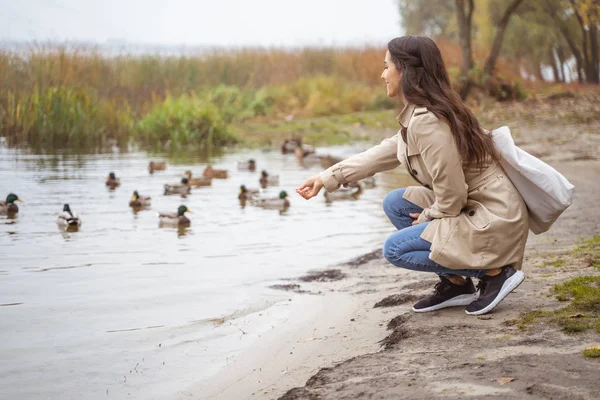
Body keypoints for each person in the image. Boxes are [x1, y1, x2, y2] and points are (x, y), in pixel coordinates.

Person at [296, 36, 529, 316]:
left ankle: (495, 271)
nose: (382, 74)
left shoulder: (428, 122)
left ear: (405, 70)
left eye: (386, 66)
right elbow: (382, 154)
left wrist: (429, 215)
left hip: (492, 218)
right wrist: (326, 177)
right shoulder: (421, 114)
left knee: (396, 249)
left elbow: (452, 197)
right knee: (396, 203)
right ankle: (456, 284)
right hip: (478, 207)